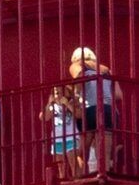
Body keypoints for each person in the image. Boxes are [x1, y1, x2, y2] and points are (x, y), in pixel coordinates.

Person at [47, 46, 118, 175]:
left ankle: (81, 176)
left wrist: (77, 95)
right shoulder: (106, 70)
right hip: (108, 110)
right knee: (104, 151)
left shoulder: (77, 65)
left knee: (81, 152)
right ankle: (103, 175)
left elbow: (79, 77)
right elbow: (118, 95)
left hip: (90, 109)